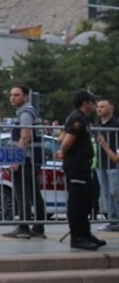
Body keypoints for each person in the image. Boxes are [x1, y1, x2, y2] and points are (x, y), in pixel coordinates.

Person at [58, 89, 102, 251]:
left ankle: (86, 233)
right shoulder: (77, 118)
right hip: (76, 165)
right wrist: (63, 151)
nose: (95, 104)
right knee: (77, 202)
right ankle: (77, 238)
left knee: (86, 200)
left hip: (83, 165)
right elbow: (66, 141)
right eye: (92, 101)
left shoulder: (81, 118)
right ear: (85, 103)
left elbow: (62, 136)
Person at [4, 84, 46, 238]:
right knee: (34, 193)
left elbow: (26, 137)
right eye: (11, 95)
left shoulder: (26, 113)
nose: (13, 98)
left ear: (26, 96)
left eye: (17, 95)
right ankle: (39, 227)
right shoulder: (27, 112)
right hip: (32, 158)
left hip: (27, 159)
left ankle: (23, 227)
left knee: (21, 193)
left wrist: (16, 158)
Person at [93, 97, 119, 232]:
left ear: (111, 109)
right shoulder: (97, 126)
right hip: (101, 164)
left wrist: (104, 144)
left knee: (115, 192)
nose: (99, 109)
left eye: (103, 106)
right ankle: (112, 220)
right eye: (98, 106)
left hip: (114, 165)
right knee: (106, 193)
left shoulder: (116, 124)